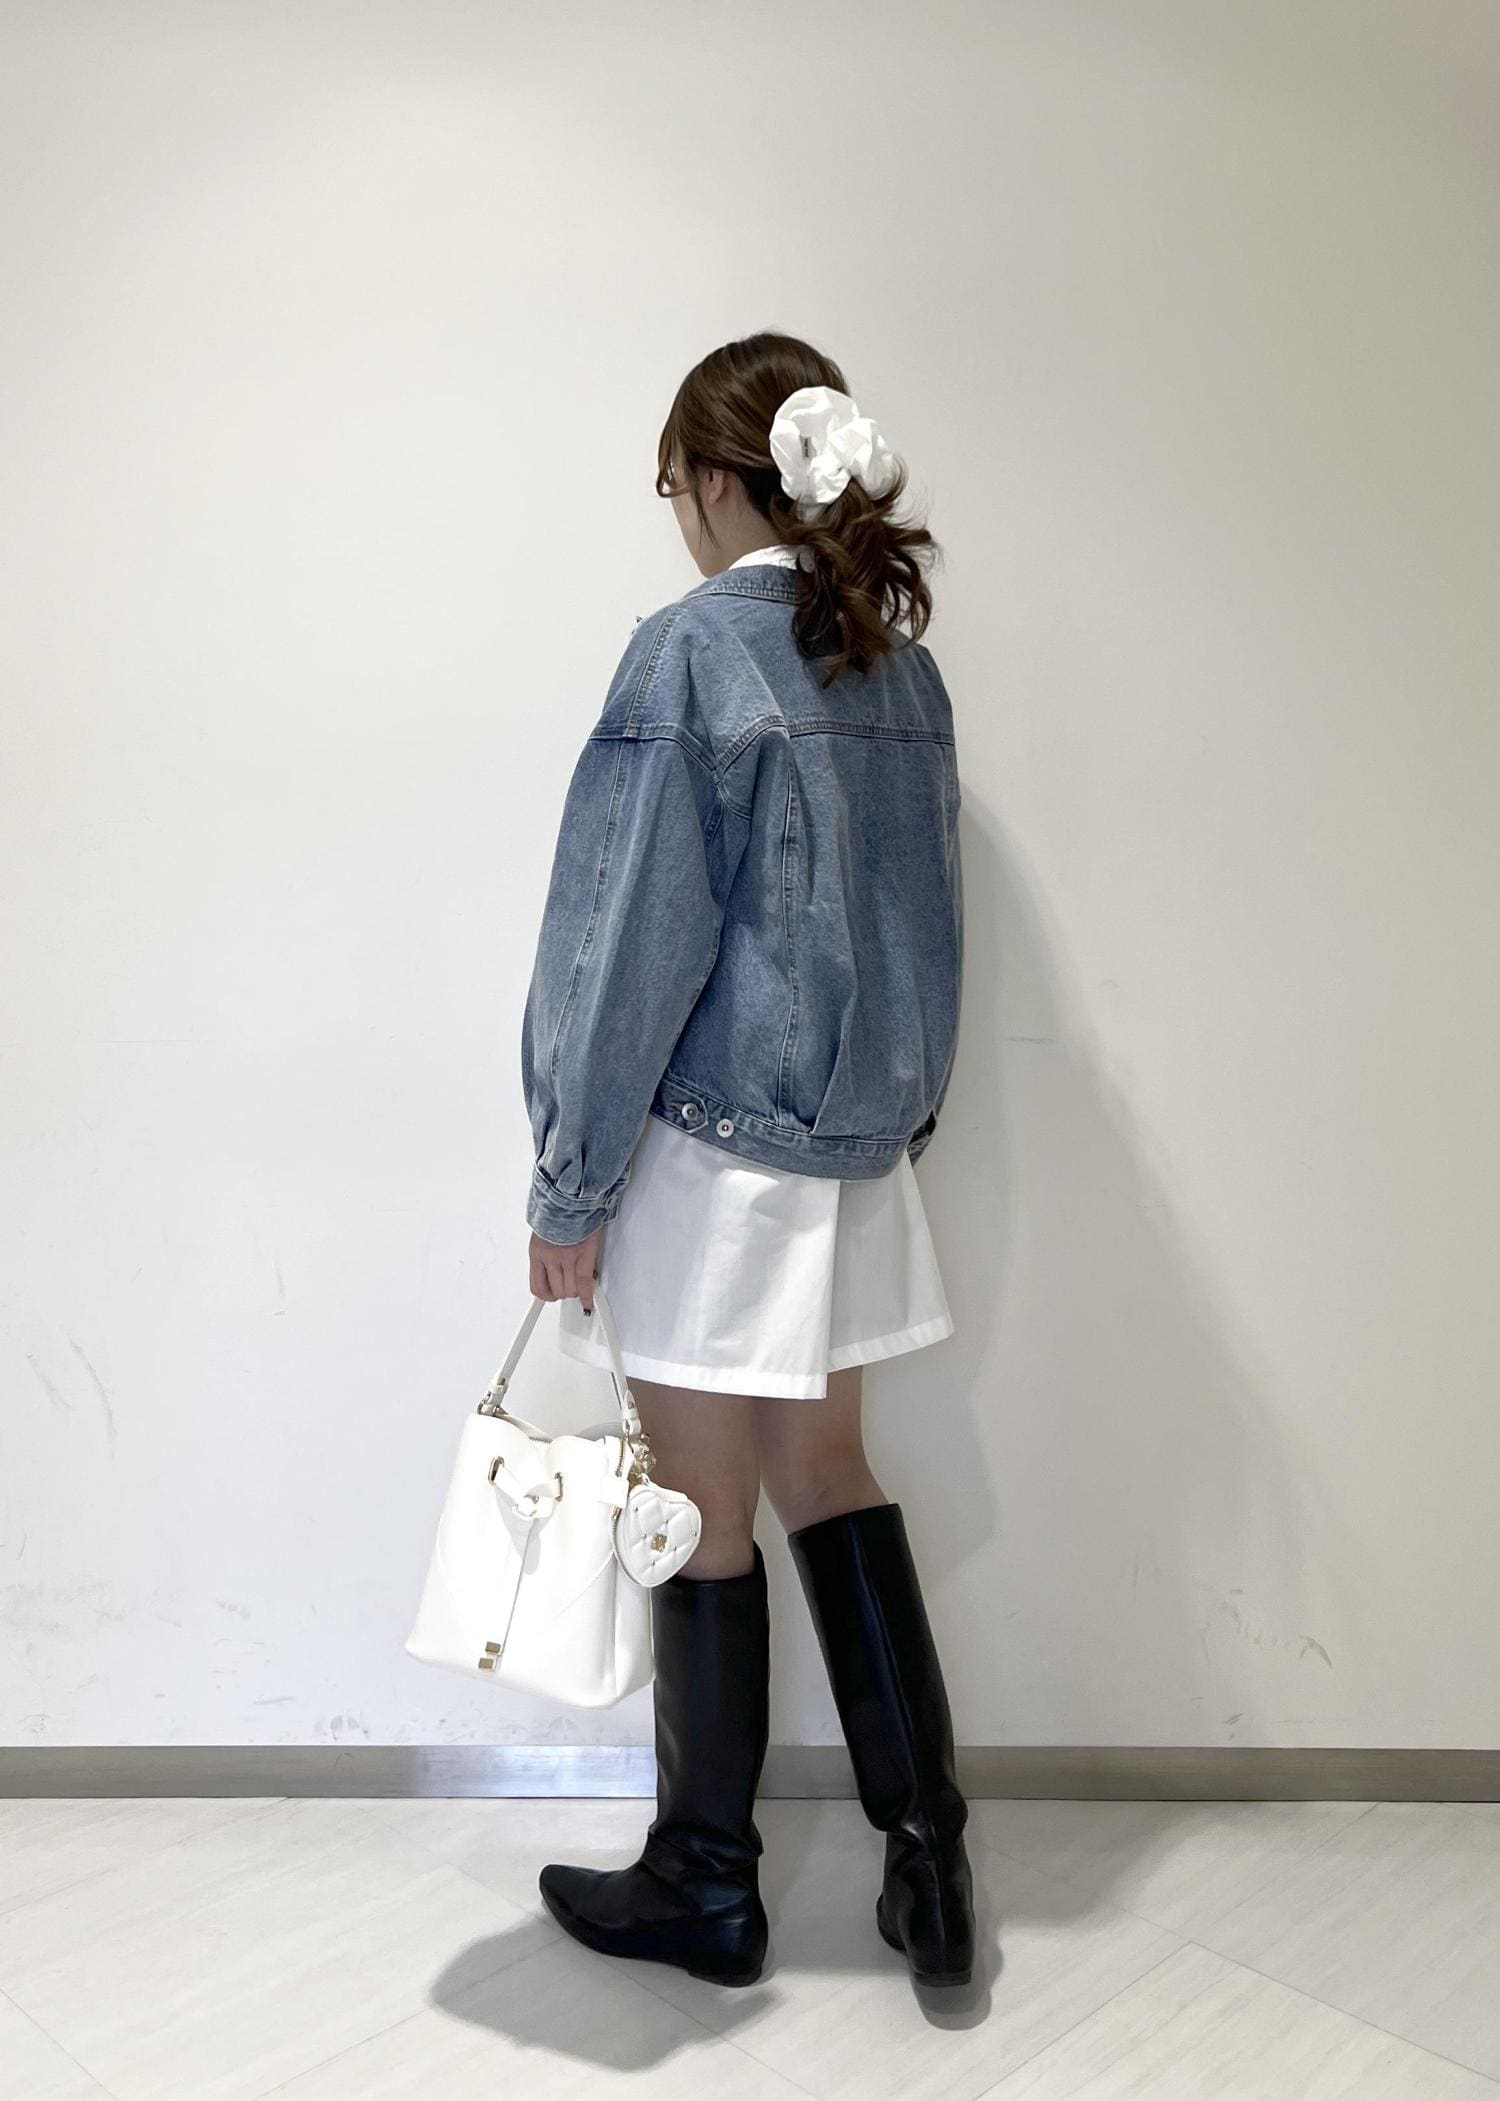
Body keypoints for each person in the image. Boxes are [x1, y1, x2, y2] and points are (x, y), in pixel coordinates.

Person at [518, 332, 973, 1990]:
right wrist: (892, 1125)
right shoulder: (896, 668)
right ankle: (932, 1866)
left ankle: (706, 1882)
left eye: (674, 489)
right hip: (854, 1164)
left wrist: (571, 1180)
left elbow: (622, 940)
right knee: (829, 1477)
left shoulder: (692, 655)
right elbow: (934, 930)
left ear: (720, 479)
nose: (678, 522)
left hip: (716, 1160)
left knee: (702, 1506)